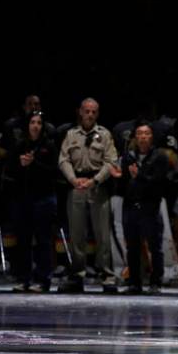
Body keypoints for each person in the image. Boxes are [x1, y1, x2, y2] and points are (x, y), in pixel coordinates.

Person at [57, 98, 119, 293]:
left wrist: (96, 180)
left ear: (97, 114)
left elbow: (111, 162)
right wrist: (73, 179)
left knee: (102, 234)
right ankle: (77, 275)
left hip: (97, 186)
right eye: (87, 111)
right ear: (80, 112)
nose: (90, 114)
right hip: (76, 186)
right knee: (77, 234)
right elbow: (63, 160)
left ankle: (107, 275)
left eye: (93, 111)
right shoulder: (71, 135)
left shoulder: (105, 134)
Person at [118, 121, 170, 294]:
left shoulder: (160, 156)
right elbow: (124, 183)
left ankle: (156, 282)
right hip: (130, 207)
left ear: (152, 137)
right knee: (132, 247)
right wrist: (118, 177)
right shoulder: (128, 156)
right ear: (135, 137)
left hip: (150, 207)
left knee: (155, 247)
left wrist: (139, 176)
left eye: (146, 133)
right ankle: (134, 282)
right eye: (139, 133)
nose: (143, 137)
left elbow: (158, 182)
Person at [8, 111, 58, 293]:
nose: (35, 125)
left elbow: (54, 172)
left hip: (44, 198)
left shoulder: (49, 146)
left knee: (43, 240)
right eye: (32, 122)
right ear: (27, 125)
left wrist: (33, 162)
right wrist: (20, 165)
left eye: (38, 122)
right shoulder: (19, 145)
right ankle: (23, 279)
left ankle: (43, 280)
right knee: (23, 241)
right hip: (22, 199)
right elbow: (10, 170)